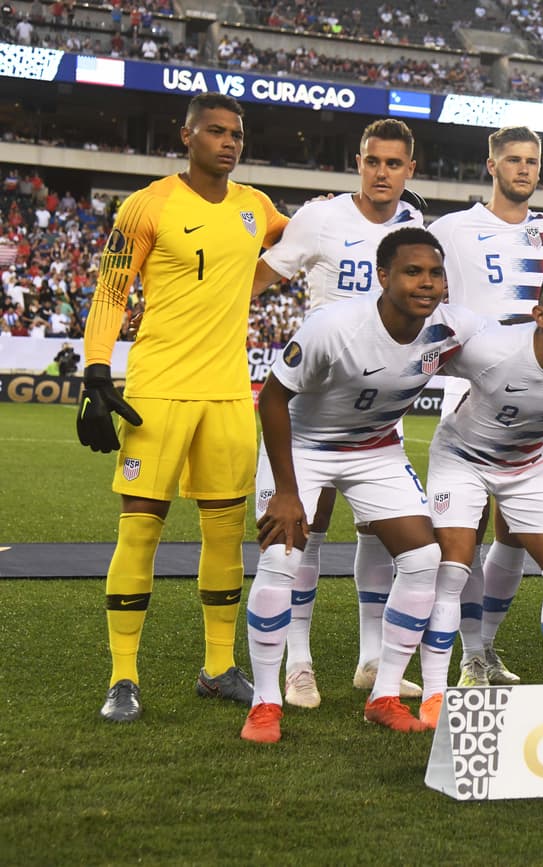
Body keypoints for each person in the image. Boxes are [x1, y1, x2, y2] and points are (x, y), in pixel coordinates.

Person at [78, 93, 288, 723]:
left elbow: (313, 235)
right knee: (140, 526)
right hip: (158, 388)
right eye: (216, 132)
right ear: (187, 136)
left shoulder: (257, 208)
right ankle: (122, 678)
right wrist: (94, 371)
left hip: (228, 393)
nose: (228, 143)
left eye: (236, 135)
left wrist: (387, 214)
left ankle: (219, 668)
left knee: (226, 531)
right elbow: (111, 288)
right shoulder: (147, 205)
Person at [241, 228, 482, 742]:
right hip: (304, 450)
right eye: (412, 272)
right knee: (281, 557)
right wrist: (286, 491)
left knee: (422, 559)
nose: (426, 283)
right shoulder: (335, 325)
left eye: (435, 273)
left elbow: (511, 350)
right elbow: (272, 400)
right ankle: (264, 703)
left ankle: (384, 694)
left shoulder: (452, 326)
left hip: (375, 451)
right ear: (382, 277)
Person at [250, 118, 426, 709]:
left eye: (394, 163)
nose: (382, 172)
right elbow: (262, 276)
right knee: (309, 529)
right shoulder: (321, 218)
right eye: (373, 161)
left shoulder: (415, 227)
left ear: (410, 169)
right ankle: (298, 662)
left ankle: (371, 656)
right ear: (359, 163)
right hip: (313, 398)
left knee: (379, 531)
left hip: (380, 403)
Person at [422, 264, 543, 687]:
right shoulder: (491, 350)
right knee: (453, 566)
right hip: (462, 458)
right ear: (539, 315)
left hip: (528, 466)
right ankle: (447, 683)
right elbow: (418, 358)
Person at [426, 125, 543, 688]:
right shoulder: (452, 230)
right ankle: (465, 655)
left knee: (514, 531)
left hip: (533, 399)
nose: (524, 169)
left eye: (532, 161)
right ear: (491, 165)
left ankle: (484, 649)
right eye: (513, 160)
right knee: (466, 531)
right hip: (471, 393)